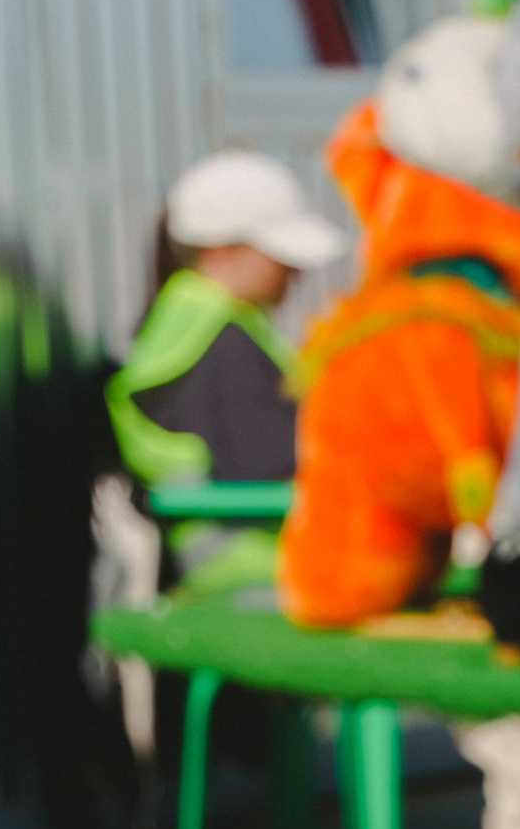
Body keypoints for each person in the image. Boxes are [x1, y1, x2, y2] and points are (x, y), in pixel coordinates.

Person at [105, 150, 347, 590]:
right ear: (220, 248)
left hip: (250, 565)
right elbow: (280, 461)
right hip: (259, 571)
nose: (297, 272)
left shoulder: (193, 323)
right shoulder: (220, 343)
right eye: (281, 253)